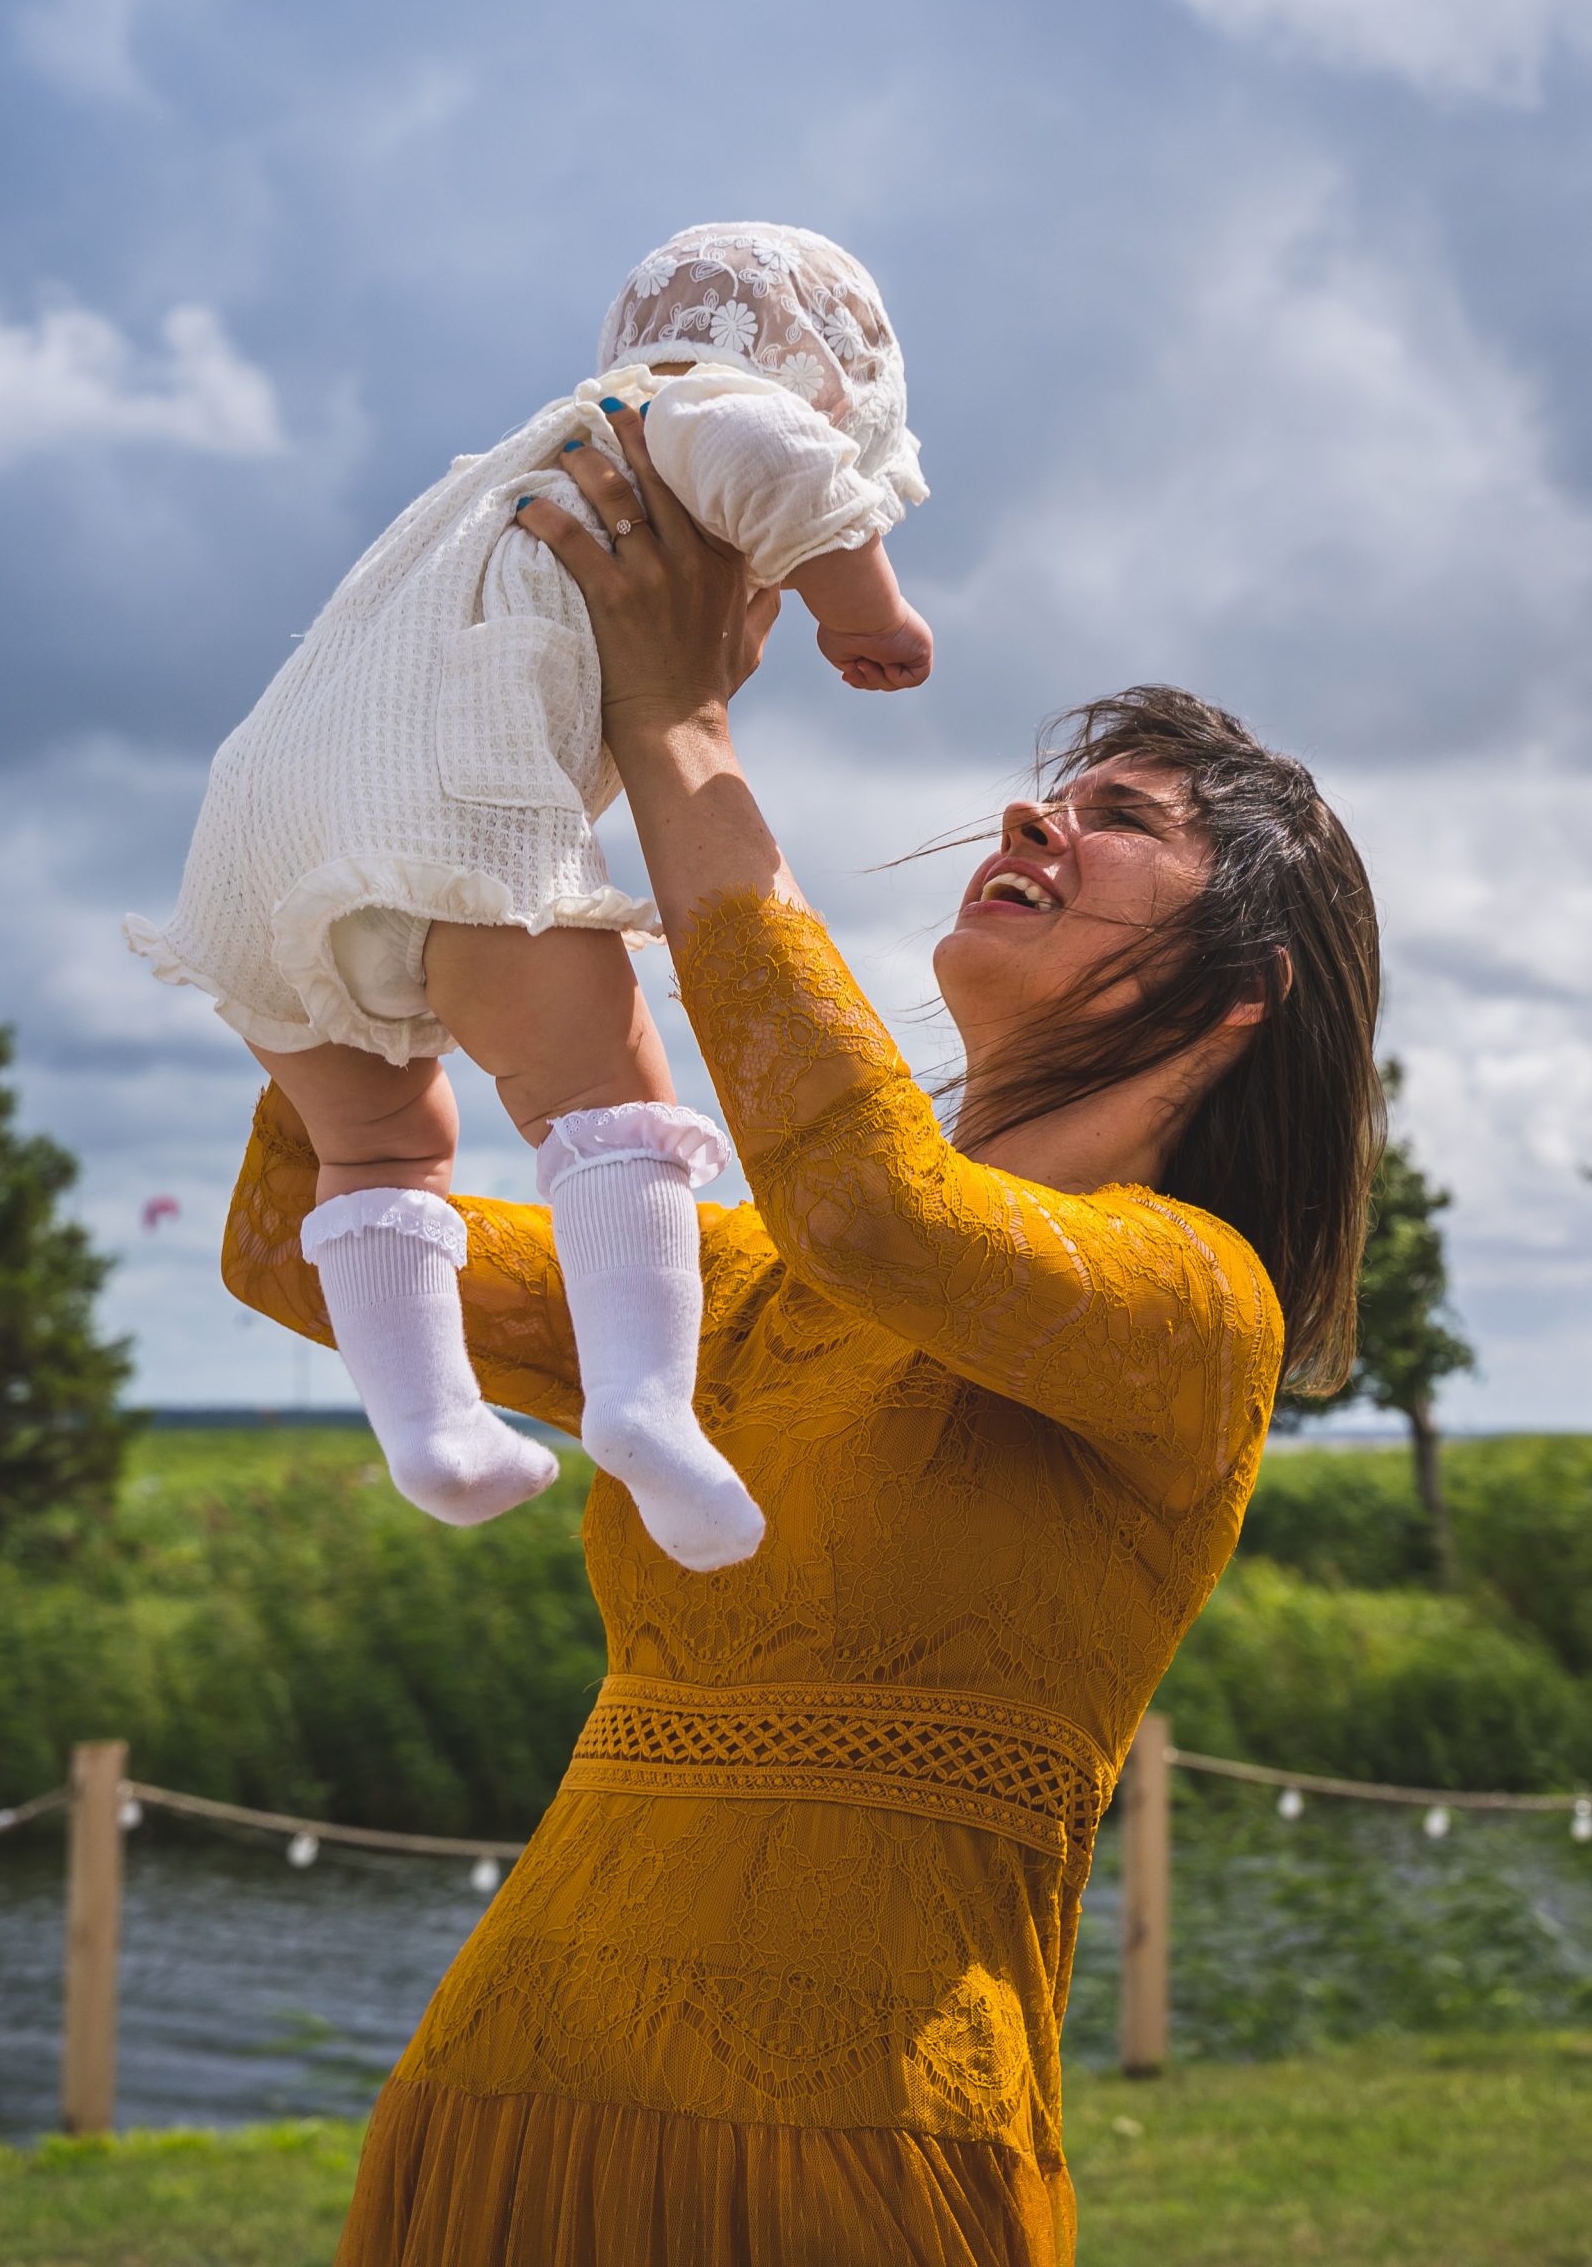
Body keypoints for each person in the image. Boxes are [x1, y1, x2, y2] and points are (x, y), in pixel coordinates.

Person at [222, 406, 1384, 2265]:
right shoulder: (737, 1282)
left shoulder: (1192, 1306)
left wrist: (681, 727)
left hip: (855, 2156)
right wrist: (493, 785)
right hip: (498, 2103)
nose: (1036, 818)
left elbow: (877, 1208)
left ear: (1245, 989)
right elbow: (301, 1249)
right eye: (1057, 794)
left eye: (1125, 820)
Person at [126, 222, 932, 1573]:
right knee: (605, 1099)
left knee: (380, 1145)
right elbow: (782, 467)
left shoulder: (513, 467)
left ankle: (434, 1433)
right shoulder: (687, 410)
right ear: (829, 380)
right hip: (448, 818)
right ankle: (645, 1401)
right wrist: (866, 613)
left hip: (258, 838)